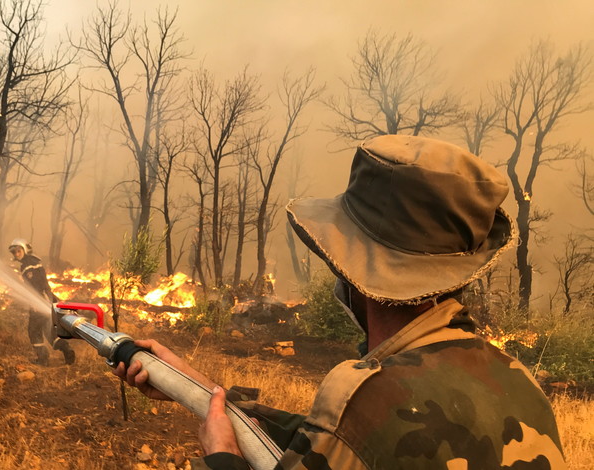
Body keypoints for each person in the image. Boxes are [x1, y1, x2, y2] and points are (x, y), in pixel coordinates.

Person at [114, 135, 566, 469]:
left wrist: (222, 457)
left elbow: (353, 430)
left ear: (355, 273)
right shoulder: (520, 382)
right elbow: (330, 442)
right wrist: (197, 388)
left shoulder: (364, 394)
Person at [9, 238, 75, 366]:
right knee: (48, 330)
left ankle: (42, 359)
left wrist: (34, 301)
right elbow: (43, 283)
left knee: (33, 330)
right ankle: (66, 349)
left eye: (18, 251)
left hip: (38, 301)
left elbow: (35, 285)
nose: (16, 254)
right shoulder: (35, 261)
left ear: (25, 249)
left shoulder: (28, 265)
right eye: (14, 252)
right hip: (45, 299)